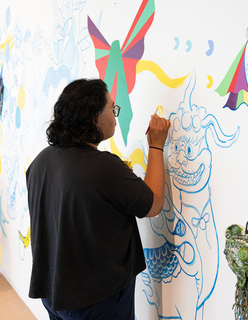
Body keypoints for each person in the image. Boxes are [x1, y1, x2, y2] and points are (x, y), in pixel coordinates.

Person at [26, 79, 170, 319]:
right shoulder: (102, 166)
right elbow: (153, 204)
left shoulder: (41, 161)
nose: (115, 115)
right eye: (112, 108)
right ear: (94, 117)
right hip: (95, 300)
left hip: (52, 293)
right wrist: (156, 146)